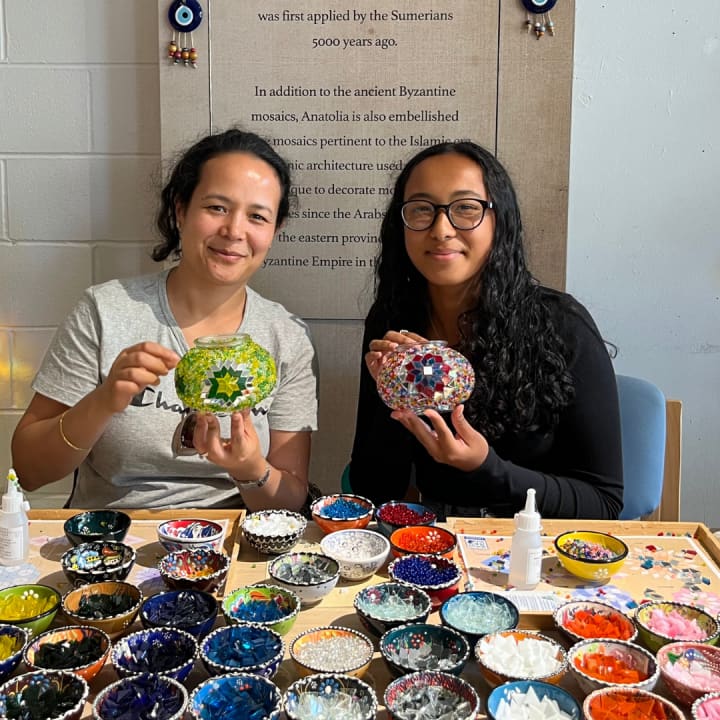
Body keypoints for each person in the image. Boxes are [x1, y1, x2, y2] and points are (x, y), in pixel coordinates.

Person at [11, 128, 318, 512]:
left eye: (257, 216)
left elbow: (290, 502)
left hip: (230, 537)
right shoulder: (105, 310)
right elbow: (29, 471)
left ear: (275, 231)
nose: (234, 231)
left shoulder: (286, 337)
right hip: (114, 535)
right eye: (217, 208)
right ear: (180, 209)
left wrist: (250, 468)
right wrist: (103, 401)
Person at [348, 141, 623, 520]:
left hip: (535, 542)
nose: (441, 229)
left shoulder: (561, 326)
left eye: (465, 208)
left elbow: (603, 503)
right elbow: (373, 488)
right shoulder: (393, 321)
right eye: (422, 209)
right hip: (435, 538)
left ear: (500, 220)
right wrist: (395, 401)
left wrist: (485, 467)